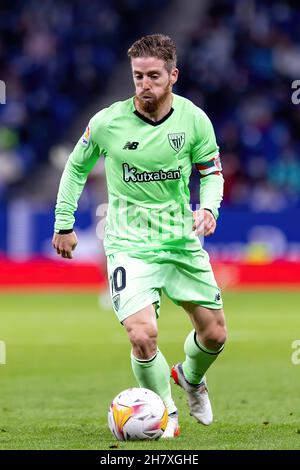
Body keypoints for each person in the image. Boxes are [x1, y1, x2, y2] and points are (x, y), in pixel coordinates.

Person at [52, 34, 227, 438]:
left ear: (173, 75)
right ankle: (164, 413)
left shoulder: (193, 119)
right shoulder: (107, 122)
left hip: (180, 240)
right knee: (142, 334)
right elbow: (76, 169)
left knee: (215, 334)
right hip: (129, 244)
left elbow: (211, 172)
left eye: (153, 76)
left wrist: (208, 208)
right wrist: (64, 223)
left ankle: (191, 378)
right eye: (137, 76)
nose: (144, 84)